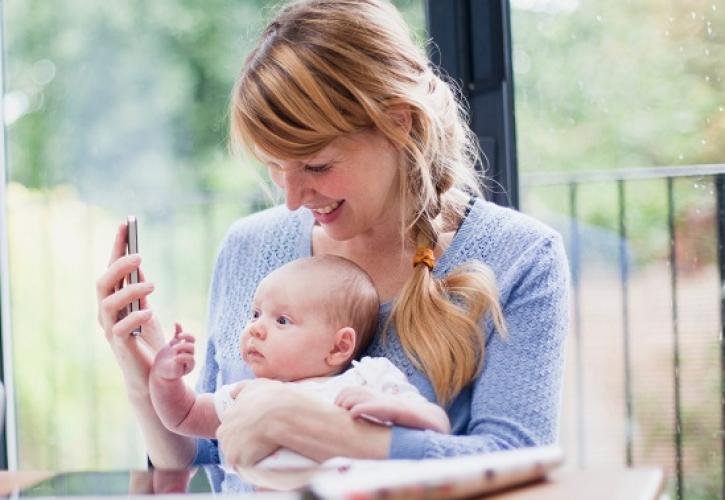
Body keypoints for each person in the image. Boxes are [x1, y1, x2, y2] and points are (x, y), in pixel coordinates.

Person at [95, 0, 569, 493]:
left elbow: (517, 460)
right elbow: (206, 452)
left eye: (316, 166)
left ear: (399, 122)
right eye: (275, 168)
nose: (293, 198)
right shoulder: (249, 247)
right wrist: (141, 376)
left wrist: (309, 425)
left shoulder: (521, 258)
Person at [148, 255, 452, 471]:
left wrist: (388, 407)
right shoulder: (251, 395)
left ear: (339, 346)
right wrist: (166, 380)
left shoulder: (368, 378)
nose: (255, 328)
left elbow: (436, 425)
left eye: (282, 320)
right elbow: (184, 417)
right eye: (255, 314)